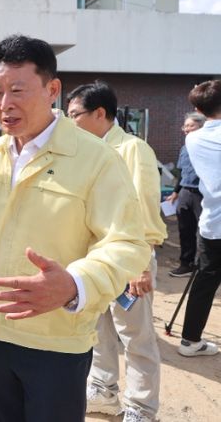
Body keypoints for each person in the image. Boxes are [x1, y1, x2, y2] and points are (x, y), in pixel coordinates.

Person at [0, 35, 150, 422]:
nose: (5, 104)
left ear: (52, 90)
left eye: (18, 90)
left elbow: (126, 243)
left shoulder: (96, 159)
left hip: (56, 341)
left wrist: (75, 283)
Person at [68, 81, 167, 422]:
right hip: (94, 260)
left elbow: (145, 208)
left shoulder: (133, 149)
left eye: (75, 115)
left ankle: (141, 406)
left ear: (100, 113)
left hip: (127, 260)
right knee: (99, 330)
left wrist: (141, 264)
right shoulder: (86, 151)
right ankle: (103, 390)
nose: (70, 122)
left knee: (136, 336)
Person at [177, 80, 221, 357]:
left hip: (212, 222)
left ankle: (190, 341)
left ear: (199, 110)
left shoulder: (193, 138)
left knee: (204, 283)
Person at [166, 112, 206, 277]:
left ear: (201, 127)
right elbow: (182, 174)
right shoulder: (184, 148)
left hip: (202, 194)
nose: (187, 129)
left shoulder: (209, 146)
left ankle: (204, 266)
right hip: (185, 193)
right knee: (185, 229)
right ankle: (186, 264)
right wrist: (176, 192)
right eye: (185, 126)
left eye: (191, 126)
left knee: (204, 232)